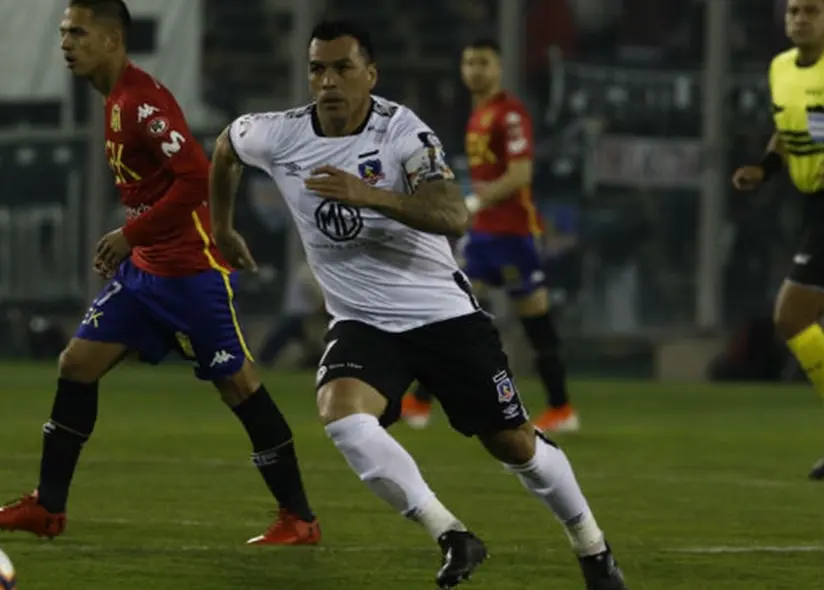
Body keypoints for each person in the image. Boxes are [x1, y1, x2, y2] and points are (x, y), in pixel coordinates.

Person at [209, 19, 626, 590]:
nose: (327, 81)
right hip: (362, 322)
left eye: (342, 68)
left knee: (515, 445)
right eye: (317, 69)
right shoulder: (279, 133)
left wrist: (369, 194)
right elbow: (225, 148)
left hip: (443, 318)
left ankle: (592, 548)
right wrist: (223, 229)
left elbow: (453, 214)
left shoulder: (402, 131)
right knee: (342, 415)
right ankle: (452, 534)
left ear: (370, 74)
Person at [0, 0, 320, 545]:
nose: (66, 43)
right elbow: (154, 190)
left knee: (239, 387)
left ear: (113, 40)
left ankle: (299, 518)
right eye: (64, 32)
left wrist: (127, 234)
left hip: (189, 275)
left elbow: (194, 177)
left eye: (78, 33)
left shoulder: (142, 103)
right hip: (143, 272)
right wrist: (129, 243)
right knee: (76, 364)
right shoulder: (114, 99)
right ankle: (48, 506)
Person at [401, 38, 577, 434]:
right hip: (483, 236)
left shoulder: (510, 114)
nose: (474, 70)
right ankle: (419, 401)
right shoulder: (478, 114)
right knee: (450, 310)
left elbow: (520, 175)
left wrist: (474, 204)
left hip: (513, 235)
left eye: (483, 62)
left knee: (534, 321)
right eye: (468, 63)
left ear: (499, 67)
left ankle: (561, 408)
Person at [733, 0, 824, 480]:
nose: (800, 19)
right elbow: (787, 130)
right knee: (794, 318)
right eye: (793, 11)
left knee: (792, 315)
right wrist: (764, 169)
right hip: (812, 204)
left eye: (811, 10)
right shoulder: (780, 68)